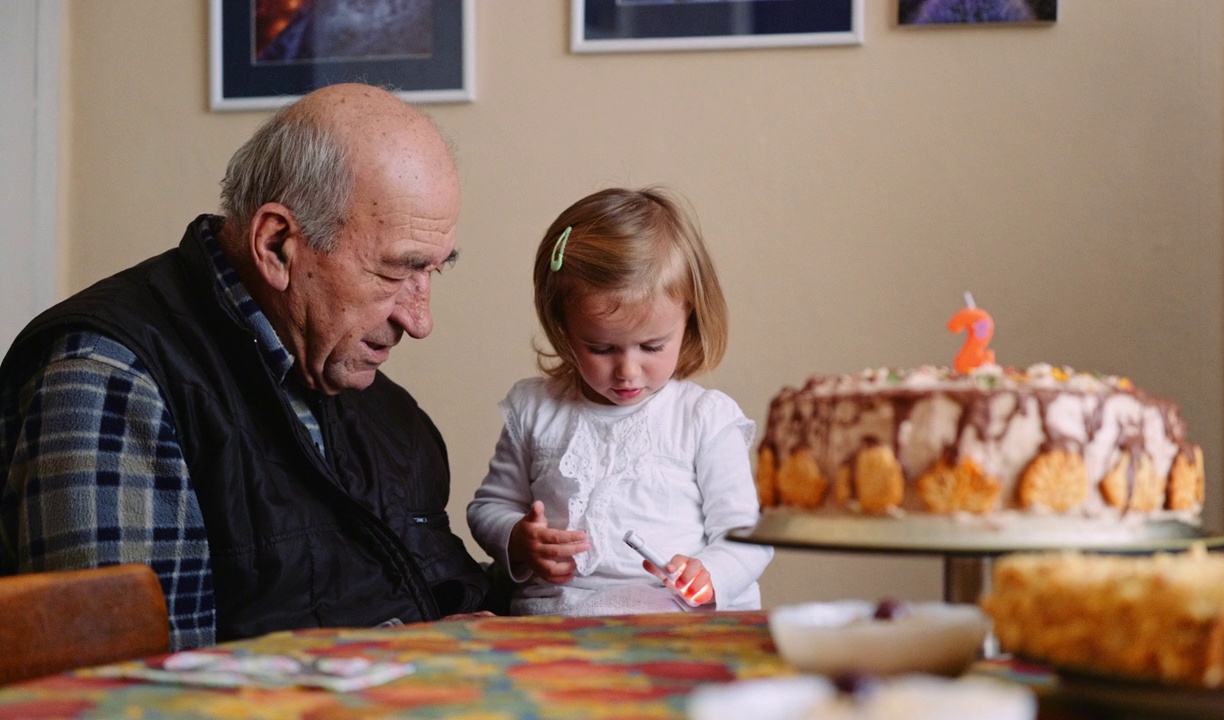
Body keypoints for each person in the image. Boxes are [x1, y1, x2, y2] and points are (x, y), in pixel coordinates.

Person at [0, 83, 494, 651]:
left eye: (434, 270)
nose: (419, 319)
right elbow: (128, 691)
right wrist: (418, 656)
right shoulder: (108, 378)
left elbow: (431, 593)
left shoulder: (376, 400)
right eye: (394, 272)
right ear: (277, 243)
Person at [467, 187, 772, 616]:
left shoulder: (702, 419)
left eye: (652, 346)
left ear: (689, 320)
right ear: (563, 328)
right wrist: (517, 538)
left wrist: (710, 573)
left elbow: (747, 534)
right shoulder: (536, 410)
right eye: (602, 349)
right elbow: (488, 506)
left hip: (671, 616)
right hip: (557, 614)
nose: (627, 371)